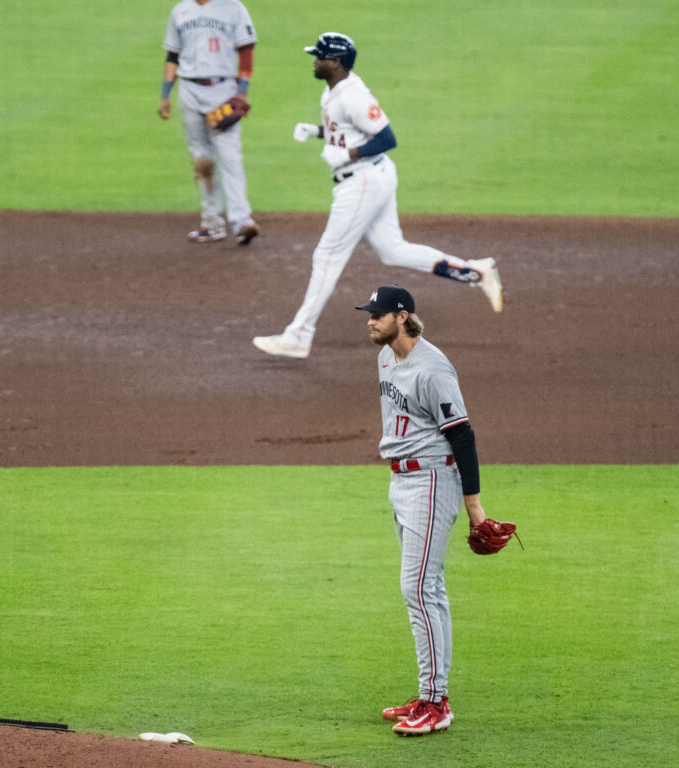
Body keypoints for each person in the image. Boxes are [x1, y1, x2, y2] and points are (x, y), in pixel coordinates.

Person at [252, 33, 502, 359]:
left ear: (336, 62)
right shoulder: (335, 90)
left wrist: (349, 155)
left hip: (363, 181)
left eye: (320, 57)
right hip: (371, 178)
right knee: (393, 250)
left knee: (327, 256)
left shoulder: (353, 95)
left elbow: (386, 137)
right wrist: (316, 131)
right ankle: (475, 272)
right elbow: (345, 129)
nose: (314, 61)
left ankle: (299, 335)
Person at [356, 285, 488, 736]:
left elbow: (463, 435)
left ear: (402, 315)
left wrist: (474, 506)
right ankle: (429, 693)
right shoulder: (386, 357)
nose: (370, 320)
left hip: (432, 479)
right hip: (401, 479)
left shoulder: (433, 369)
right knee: (427, 589)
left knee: (418, 589)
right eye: (368, 314)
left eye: (377, 314)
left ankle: (437, 703)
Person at [159, 0, 259, 245]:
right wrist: (165, 95)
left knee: (230, 155)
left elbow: (246, 51)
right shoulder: (180, 11)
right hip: (189, 90)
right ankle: (211, 222)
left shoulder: (234, 8)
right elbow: (173, 55)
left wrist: (242, 91)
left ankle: (242, 220)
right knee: (201, 158)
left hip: (223, 90)